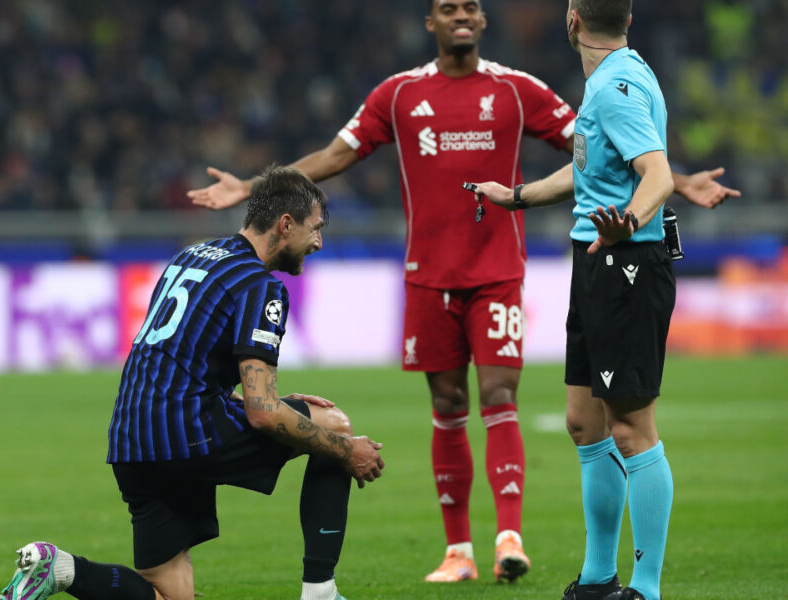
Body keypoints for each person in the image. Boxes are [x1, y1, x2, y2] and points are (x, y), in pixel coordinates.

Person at [187, 0, 739, 585]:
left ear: (489, 20)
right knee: (469, 408)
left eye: (470, 7)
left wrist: (669, 183)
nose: (460, 15)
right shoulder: (398, 94)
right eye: (448, 7)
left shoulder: (520, 89)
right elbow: (336, 155)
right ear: (430, 22)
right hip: (430, 274)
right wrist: (254, 188)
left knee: (508, 396)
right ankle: (465, 552)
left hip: (505, 271)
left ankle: (512, 539)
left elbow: (623, 152)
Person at [0, 165, 385, 600]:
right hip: (187, 435)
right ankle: (321, 592)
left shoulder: (191, 256)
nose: (318, 242)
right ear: (285, 224)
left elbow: (181, 362)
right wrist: (346, 451)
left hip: (131, 439)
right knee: (333, 426)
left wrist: (261, 402)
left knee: (168, 595)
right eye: (315, 229)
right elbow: (262, 413)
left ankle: (61, 570)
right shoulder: (260, 287)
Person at [472, 1, 688, 598]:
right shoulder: (616, 78)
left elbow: (659, 174)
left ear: (572, 19)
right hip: (597, 262)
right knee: (584, 423)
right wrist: (516, 195)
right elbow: (589, 172)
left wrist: (628, 223)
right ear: (627, 19)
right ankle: (597, 578)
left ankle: (645, 589)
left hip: (626, 265)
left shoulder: (614, 88)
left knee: (632, 429)